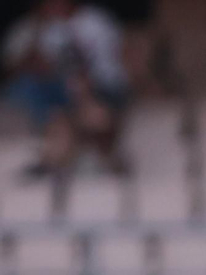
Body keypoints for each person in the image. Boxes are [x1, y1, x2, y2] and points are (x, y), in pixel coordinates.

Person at [2, 0, 130, 177]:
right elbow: (43, 66)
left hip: (103, 86)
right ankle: (55, 154)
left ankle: (106, 153)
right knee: (41, 95)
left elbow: (114, 59)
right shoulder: (51, 28)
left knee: (95, 113)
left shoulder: (95, 21)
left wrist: (86, 82)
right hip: (66, 88)